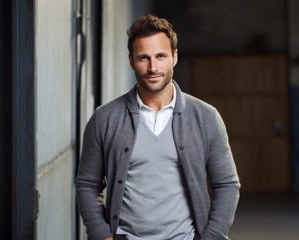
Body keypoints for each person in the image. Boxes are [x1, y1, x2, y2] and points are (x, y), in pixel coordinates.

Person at [76, 14, 241, 240]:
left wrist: (212, 235)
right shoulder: (105, 118)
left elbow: (227, 184)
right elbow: (87, 184)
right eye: (143, 58)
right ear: (131, 61)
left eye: (160, 56)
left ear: (174, 57)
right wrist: (101, 234)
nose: (153, 67)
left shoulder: (206, 117)